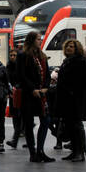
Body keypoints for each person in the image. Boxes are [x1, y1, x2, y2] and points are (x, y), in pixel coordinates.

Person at [18, 31, 52, 163]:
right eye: (38, 39)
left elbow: (47, 74)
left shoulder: (42, 55)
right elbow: (21, 75)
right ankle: (33, 153)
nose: (40, 41)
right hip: (29, 95)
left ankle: (40, 150)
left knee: (46, 120)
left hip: (42, 94)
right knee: (28, 123)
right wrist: (32, 89)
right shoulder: (23, 55)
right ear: (31, 40)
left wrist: (45, 87)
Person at [56, 39, 86, 160]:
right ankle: (75, 150)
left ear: (77, 49)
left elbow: (83, 82)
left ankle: (80, 152)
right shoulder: (67, 61)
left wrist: (72, 91)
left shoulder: (81, 62)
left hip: (75, 99)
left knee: (76, 125)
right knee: (70, 125)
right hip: (66, 98)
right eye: (67, 46)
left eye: (72, 46)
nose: (69, 48)